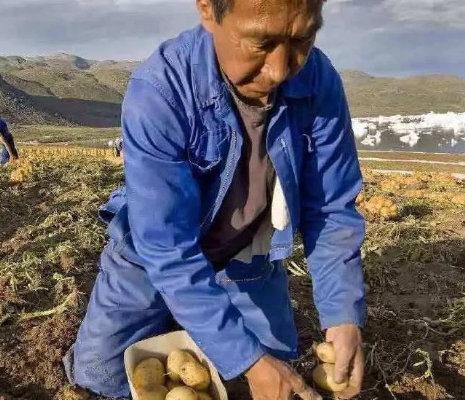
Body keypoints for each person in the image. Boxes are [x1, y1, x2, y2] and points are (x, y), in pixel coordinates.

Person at [64, 0, 366, 399]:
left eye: (302, 39)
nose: (279, 70)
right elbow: (167, 248)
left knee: (270, 376)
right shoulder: (161, 91)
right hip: (149, 256)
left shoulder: (319, 82)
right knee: (101, 378)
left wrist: (344, 317)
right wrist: (245, 357)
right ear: (208, 10)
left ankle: (199, 320)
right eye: (261, 42)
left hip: (245, 256)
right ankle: (173, 317)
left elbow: (329, 209)